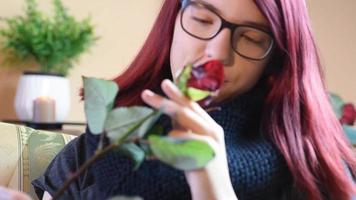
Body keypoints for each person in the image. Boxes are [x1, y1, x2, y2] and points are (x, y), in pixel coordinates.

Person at [32, 0, 356, 199]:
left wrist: (211, 181)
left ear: (276, 59)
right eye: (202, 20)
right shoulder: (98, 143)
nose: (217, 53)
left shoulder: (310, 165)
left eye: (252, 38)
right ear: (172, 21)